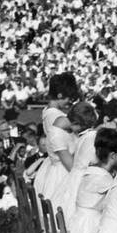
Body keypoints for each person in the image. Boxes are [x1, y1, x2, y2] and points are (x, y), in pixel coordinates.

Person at [66, 127, 117, 233]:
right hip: (88, 229)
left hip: (79, 223)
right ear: (113, 155)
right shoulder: (100, 178)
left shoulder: (92, 170)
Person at [34, 72, 80, 207]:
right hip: (63, 166)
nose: (70, 102)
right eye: (69, 98)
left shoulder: (48, 111)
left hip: (57, 162)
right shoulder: (56, 116)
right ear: (60, 95)